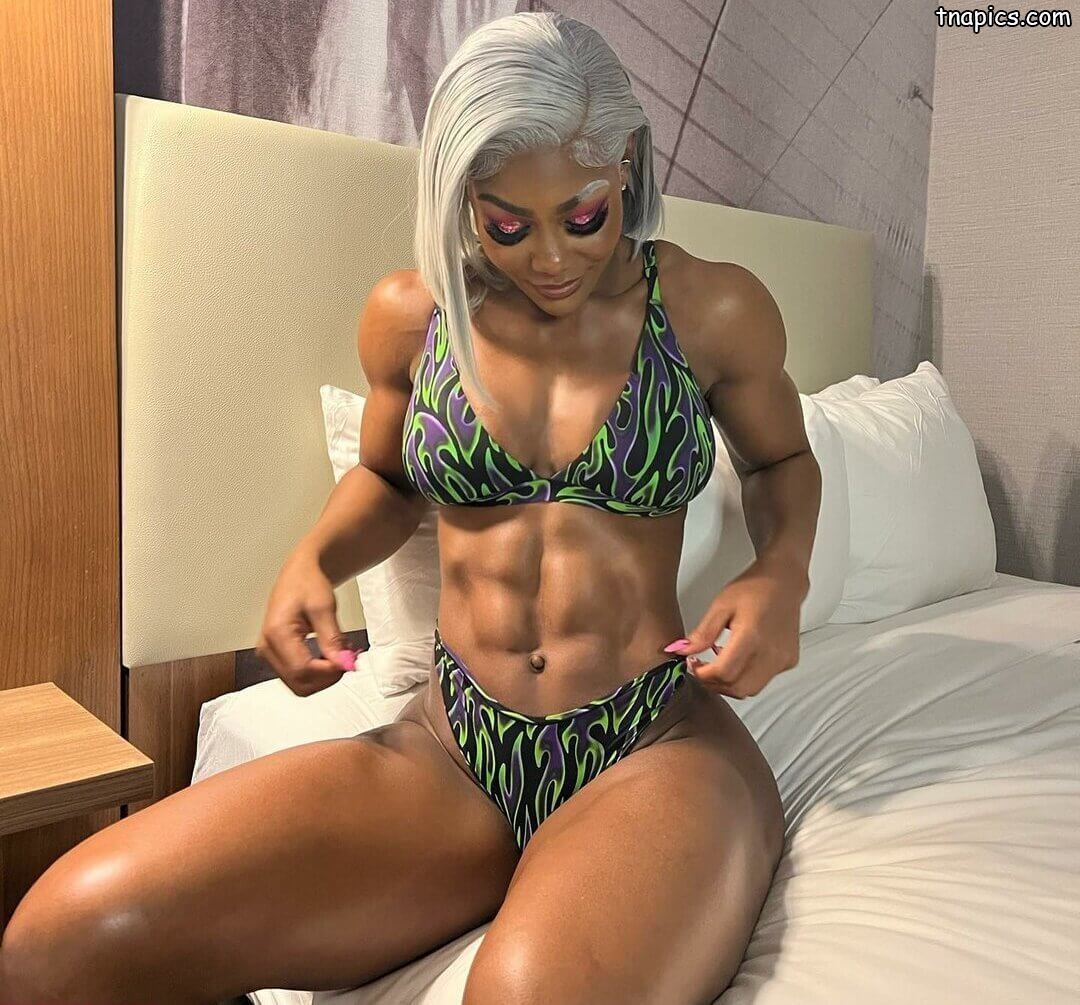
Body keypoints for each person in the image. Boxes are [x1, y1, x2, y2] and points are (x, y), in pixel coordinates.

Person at [0, 12, 820, 1004]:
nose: (550, 258)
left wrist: (780, 575)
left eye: (584, 216)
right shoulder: (413, 319)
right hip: (453, 752)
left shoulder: (709, 309)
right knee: (56, 942)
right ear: (459, 194)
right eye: (507, 225)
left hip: (651, 743)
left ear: (630, 166)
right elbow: (389, 482)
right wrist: (314, 560)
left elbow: (781, 462)